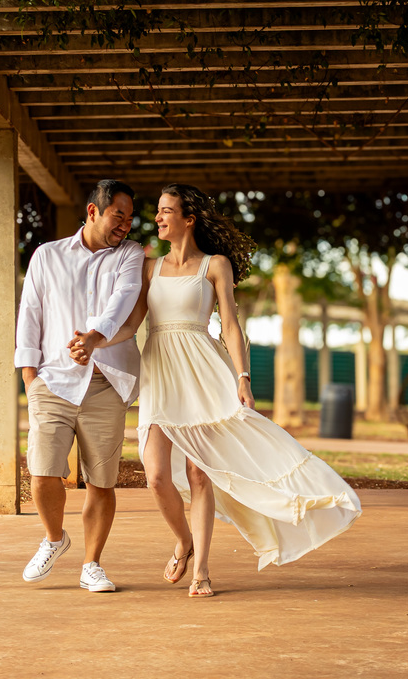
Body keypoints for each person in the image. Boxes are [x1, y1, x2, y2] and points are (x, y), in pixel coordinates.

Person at [71, 183, 361, 598]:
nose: (157, 218)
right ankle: (184, 541)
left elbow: (229, 326)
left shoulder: (215, 265)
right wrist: (95, 341)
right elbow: (133, 325)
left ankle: (202, 569)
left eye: (165, 210)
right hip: (162, 371)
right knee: (155, 475)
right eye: (157, 211)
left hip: (204, 372)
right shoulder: (148, 267)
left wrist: (243, 378)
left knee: (198, 474)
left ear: (188, 219)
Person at [15, 179, 144, 593]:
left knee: (101, 482)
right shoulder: (47, 256)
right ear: (93, 212)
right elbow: (30, 311)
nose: (124, 225)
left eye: (129, 217)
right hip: (53, 382)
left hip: (106, 385)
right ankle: (55, 538)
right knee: (42, 472)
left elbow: (123, 300)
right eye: (117, 216)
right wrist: (28, 373)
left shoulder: (131, 255)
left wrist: (93, 338)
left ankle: (92, 564)